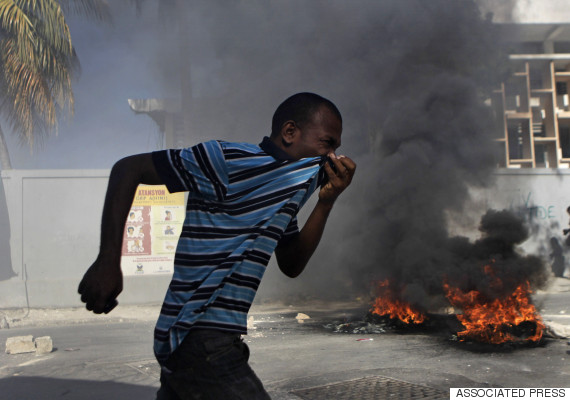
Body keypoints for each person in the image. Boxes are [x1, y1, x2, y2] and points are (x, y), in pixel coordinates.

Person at [78, 92, 356, 399]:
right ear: (290, 133)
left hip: (197, 341)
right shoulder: (225, 159)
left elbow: (291, 264)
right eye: (327, 144)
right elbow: (128, 169)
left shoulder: (288, 192)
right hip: (199, 334)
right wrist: (107, 261)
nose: (333, 158)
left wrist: (326, 202)